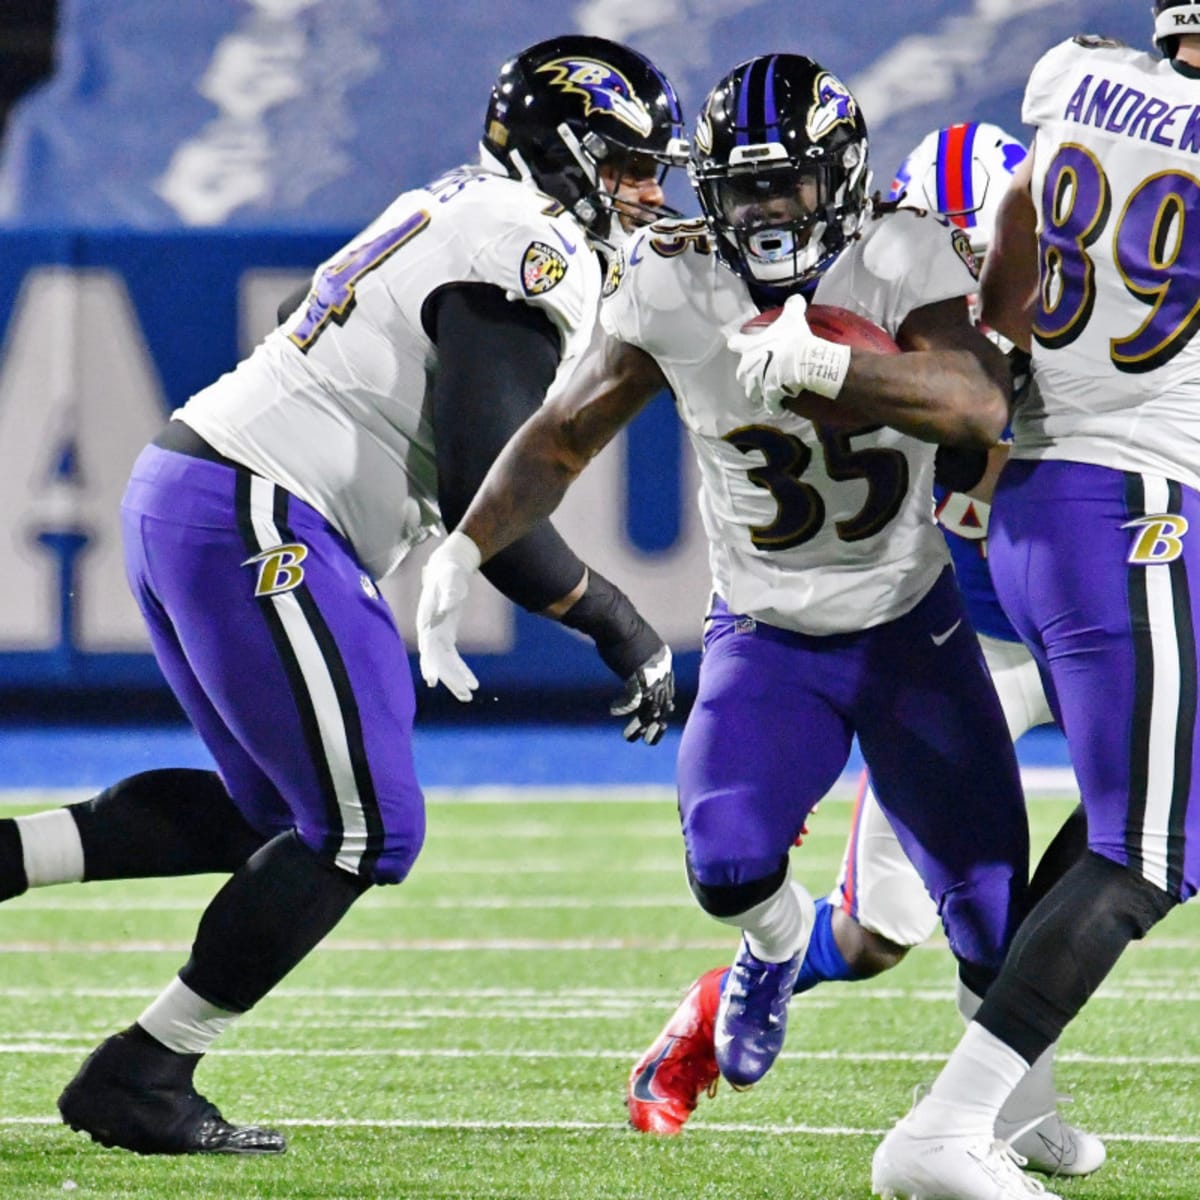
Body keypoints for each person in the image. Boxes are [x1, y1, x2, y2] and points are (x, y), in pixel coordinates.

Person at [0, 35, 684, 1156]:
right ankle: (147, 1067)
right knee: (369, 827)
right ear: (564, 154)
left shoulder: (486, 208)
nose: (646, 191)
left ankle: (9, 862)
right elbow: (482, 490)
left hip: (204, 490)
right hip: (261, 510)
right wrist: (618, 622)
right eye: (627, 163)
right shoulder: (529, 244)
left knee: (283, 811)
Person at [417, 53, 1055, 1195]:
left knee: (994, 913)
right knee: (726, 865)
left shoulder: (903, 251)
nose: (764, 211)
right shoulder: (673, 281)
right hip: (767, 635)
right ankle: (767, 951)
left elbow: (974, 401)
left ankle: (1000, 1119)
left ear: (843, 178)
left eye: (788, 184)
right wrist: (468, 546)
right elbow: (563, 435)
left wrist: (823, 361)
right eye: (743, 187)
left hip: (912, 627)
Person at [618, 119, 1101, 1180]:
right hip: (957, 636)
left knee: (1124, 843)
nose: (974, 268)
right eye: (958, 243)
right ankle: (717, 1002)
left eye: (989, 245)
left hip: (1068, 629)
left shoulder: (1076, 310)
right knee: (885, 935)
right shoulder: (876, 315)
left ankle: (1014, 1113)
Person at [872, 9, 1200, 1198]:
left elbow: (1004, 283)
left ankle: (991, 1100)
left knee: (1153, 812)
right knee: (1152, 846)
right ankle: (948, 1132)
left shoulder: (1084, 82)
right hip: (1136, 502)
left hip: (1039, 498)